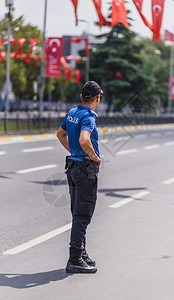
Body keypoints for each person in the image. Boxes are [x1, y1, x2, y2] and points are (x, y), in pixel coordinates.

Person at [57, 81, 102, 274]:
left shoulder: (73, 113)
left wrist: (74, 152)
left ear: (81, 97)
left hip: (73, 167)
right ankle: (74, 258)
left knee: (77, 212)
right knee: (82, 215)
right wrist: (94, 157)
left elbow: (60, 134)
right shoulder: (88, 117)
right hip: (84, 170)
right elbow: (84, 139)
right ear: (97, 99)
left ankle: (80, 253)